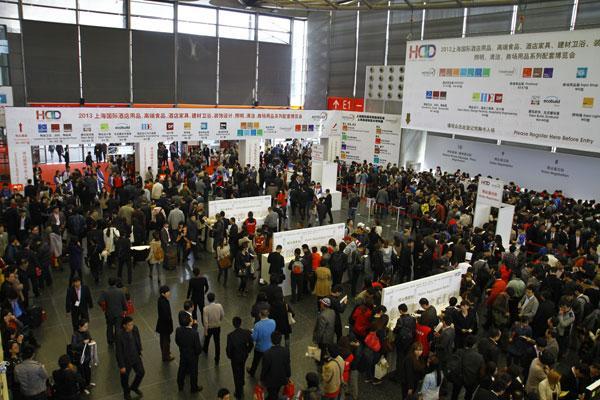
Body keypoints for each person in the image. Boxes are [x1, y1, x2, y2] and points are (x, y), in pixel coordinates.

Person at [115, 316, 145, 400]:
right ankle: (126, 392)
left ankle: (134, 387)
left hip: (135, 356)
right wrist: (121, 366)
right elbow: (119, 352)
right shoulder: (119, 335)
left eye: (132, 324)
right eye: (130, 325)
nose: (132, 326)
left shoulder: (135, 329)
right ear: (124, 325)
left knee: (141, 372)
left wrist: (139, 351)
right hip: (126, 360)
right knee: (125, 378)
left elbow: (138, 339)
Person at [226, 316, 253, 400]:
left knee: (236, 374)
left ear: (233, 324)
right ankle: (242, 382)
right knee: (242, 367)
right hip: (244, 356)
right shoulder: (247, 332)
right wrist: (247, 351)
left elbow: (229, 349)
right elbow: (251, 344)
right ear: (241, 323)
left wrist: (230, 356)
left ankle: (238, 392)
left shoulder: (231, 336)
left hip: (235, 358)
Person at [175, 312, 203, 393]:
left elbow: (177, 341)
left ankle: (180, 385)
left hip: (183, 354)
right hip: (193, 356)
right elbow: (198, 348)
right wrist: (197, 353)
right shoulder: (194, 333)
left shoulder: (178, 330)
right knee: (193, 372)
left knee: (181, 369)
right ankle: (193, 388)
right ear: (189, 322)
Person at [260, 331, 291, 400]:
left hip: (270, 380)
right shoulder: (286, 351)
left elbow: (265, 369)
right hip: (281, 378)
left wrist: (261, 379)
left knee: (272, 393)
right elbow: (287, 365)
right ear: (280, 340)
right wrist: (288, 375)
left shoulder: (267, 353)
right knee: (276, 391)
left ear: (271, 340)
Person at [98, 277, 128, 345]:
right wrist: (125, 309)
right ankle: (118, 340)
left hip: (109, 313)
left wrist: (104, 308)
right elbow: (124, 302)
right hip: (119, 312)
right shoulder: (120, 291)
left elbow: (100, 301)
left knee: (109, 327)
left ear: (108, 283)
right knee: (118, 327)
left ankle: (110, 340)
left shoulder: (105, 292)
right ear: (115, 283)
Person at [247, 309, 276, 378]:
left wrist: (251, 333)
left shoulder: (257, 325)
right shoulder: (273, 322)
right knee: (267, 361)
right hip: (269, 346)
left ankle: (252, 372)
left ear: (260, 315)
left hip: (260, 348)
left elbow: (254, 338)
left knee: (255, 361)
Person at [71, 319, 96, 393]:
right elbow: (73, 346)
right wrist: (83, 342)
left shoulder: (86, 332)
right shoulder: (75, 335)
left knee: (88, 370)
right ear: (80, 326)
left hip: (87, 355)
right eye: (85, 326)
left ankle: (88, 383)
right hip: (80, 357)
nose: (86, 328)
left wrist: (91, 341)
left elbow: (89, 338)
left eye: (87, 326)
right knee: (82, 372)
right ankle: (82, 387)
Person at [203, 292, 225, 364]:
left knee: (207, 339)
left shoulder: (206, 309)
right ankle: (217, 358)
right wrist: (219, 321)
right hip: (217, 327)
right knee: (217, 342)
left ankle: (205, 349)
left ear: (207, 299)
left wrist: (205, 331)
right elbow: (222, 315)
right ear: (214, 298)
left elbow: (205, 321)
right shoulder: (219, 306)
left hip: (210, 327)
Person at [313, 297, 336, 364]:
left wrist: (316, 340)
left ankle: (320, 361)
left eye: (321, 303)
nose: (320, 304)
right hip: (330, 335)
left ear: (323, 305)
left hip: (323, 338)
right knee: (324, 349)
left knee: (321, 349)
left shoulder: (322, 316)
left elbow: (320, 330)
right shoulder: (332, 311)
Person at [155, 285, 174, 362]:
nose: (169, 293)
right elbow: (166, 315)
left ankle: (165, 353)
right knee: (166, 341)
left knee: (163, 340)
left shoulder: (161, 300)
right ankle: (166, 356)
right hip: (165, 325)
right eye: (167, 292)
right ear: (163, 293)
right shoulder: (163, 302)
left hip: (162, 324)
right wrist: (170, 324)